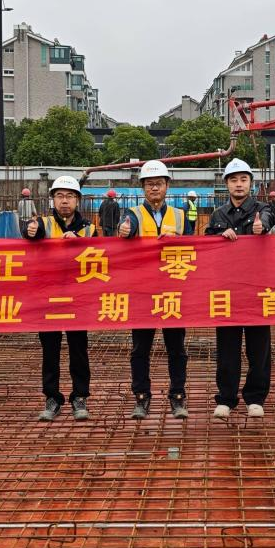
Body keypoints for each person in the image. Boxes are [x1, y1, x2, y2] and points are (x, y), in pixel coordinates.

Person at [117, 160, 190, 419]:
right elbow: (126, 229)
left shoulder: (180, 215)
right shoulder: (133, 213)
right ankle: (141, 397)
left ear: (167, 186)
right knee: (140, 349)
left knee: (177, 349)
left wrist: (178, 241)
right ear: (143, 188)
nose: (155, 188)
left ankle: (178, 397)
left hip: (172, 291)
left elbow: (193, 245)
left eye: (159, 183)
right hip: (143, 292)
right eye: (150, 184)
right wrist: (125, 231)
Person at [206, 158, 275, 419]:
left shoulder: (262, 208)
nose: (238, 184)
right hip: (228, 290)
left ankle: (255, 398)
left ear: (250, 183)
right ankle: (226, 398)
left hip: (258, 290)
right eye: (234, 180)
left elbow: (267, 219)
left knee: (259, 348)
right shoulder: (218, 214)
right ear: (227, 184)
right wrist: (218, 237)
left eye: (243, 179)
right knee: (227, 348)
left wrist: (261, 227)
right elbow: (207, 245)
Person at [24, 176, 96, 421]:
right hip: (49, 299)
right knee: (50, 350)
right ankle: (52, 397)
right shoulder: (43, 224)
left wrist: (80, 244)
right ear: (53, 199)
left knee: (79, 349)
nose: (65, 201)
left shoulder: (89, 229)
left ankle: (80, 396)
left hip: (77, 298)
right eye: (60, 196)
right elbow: (31, 234)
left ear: (77, 200)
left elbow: (100, 257)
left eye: (70, 196)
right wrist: (29, 231)